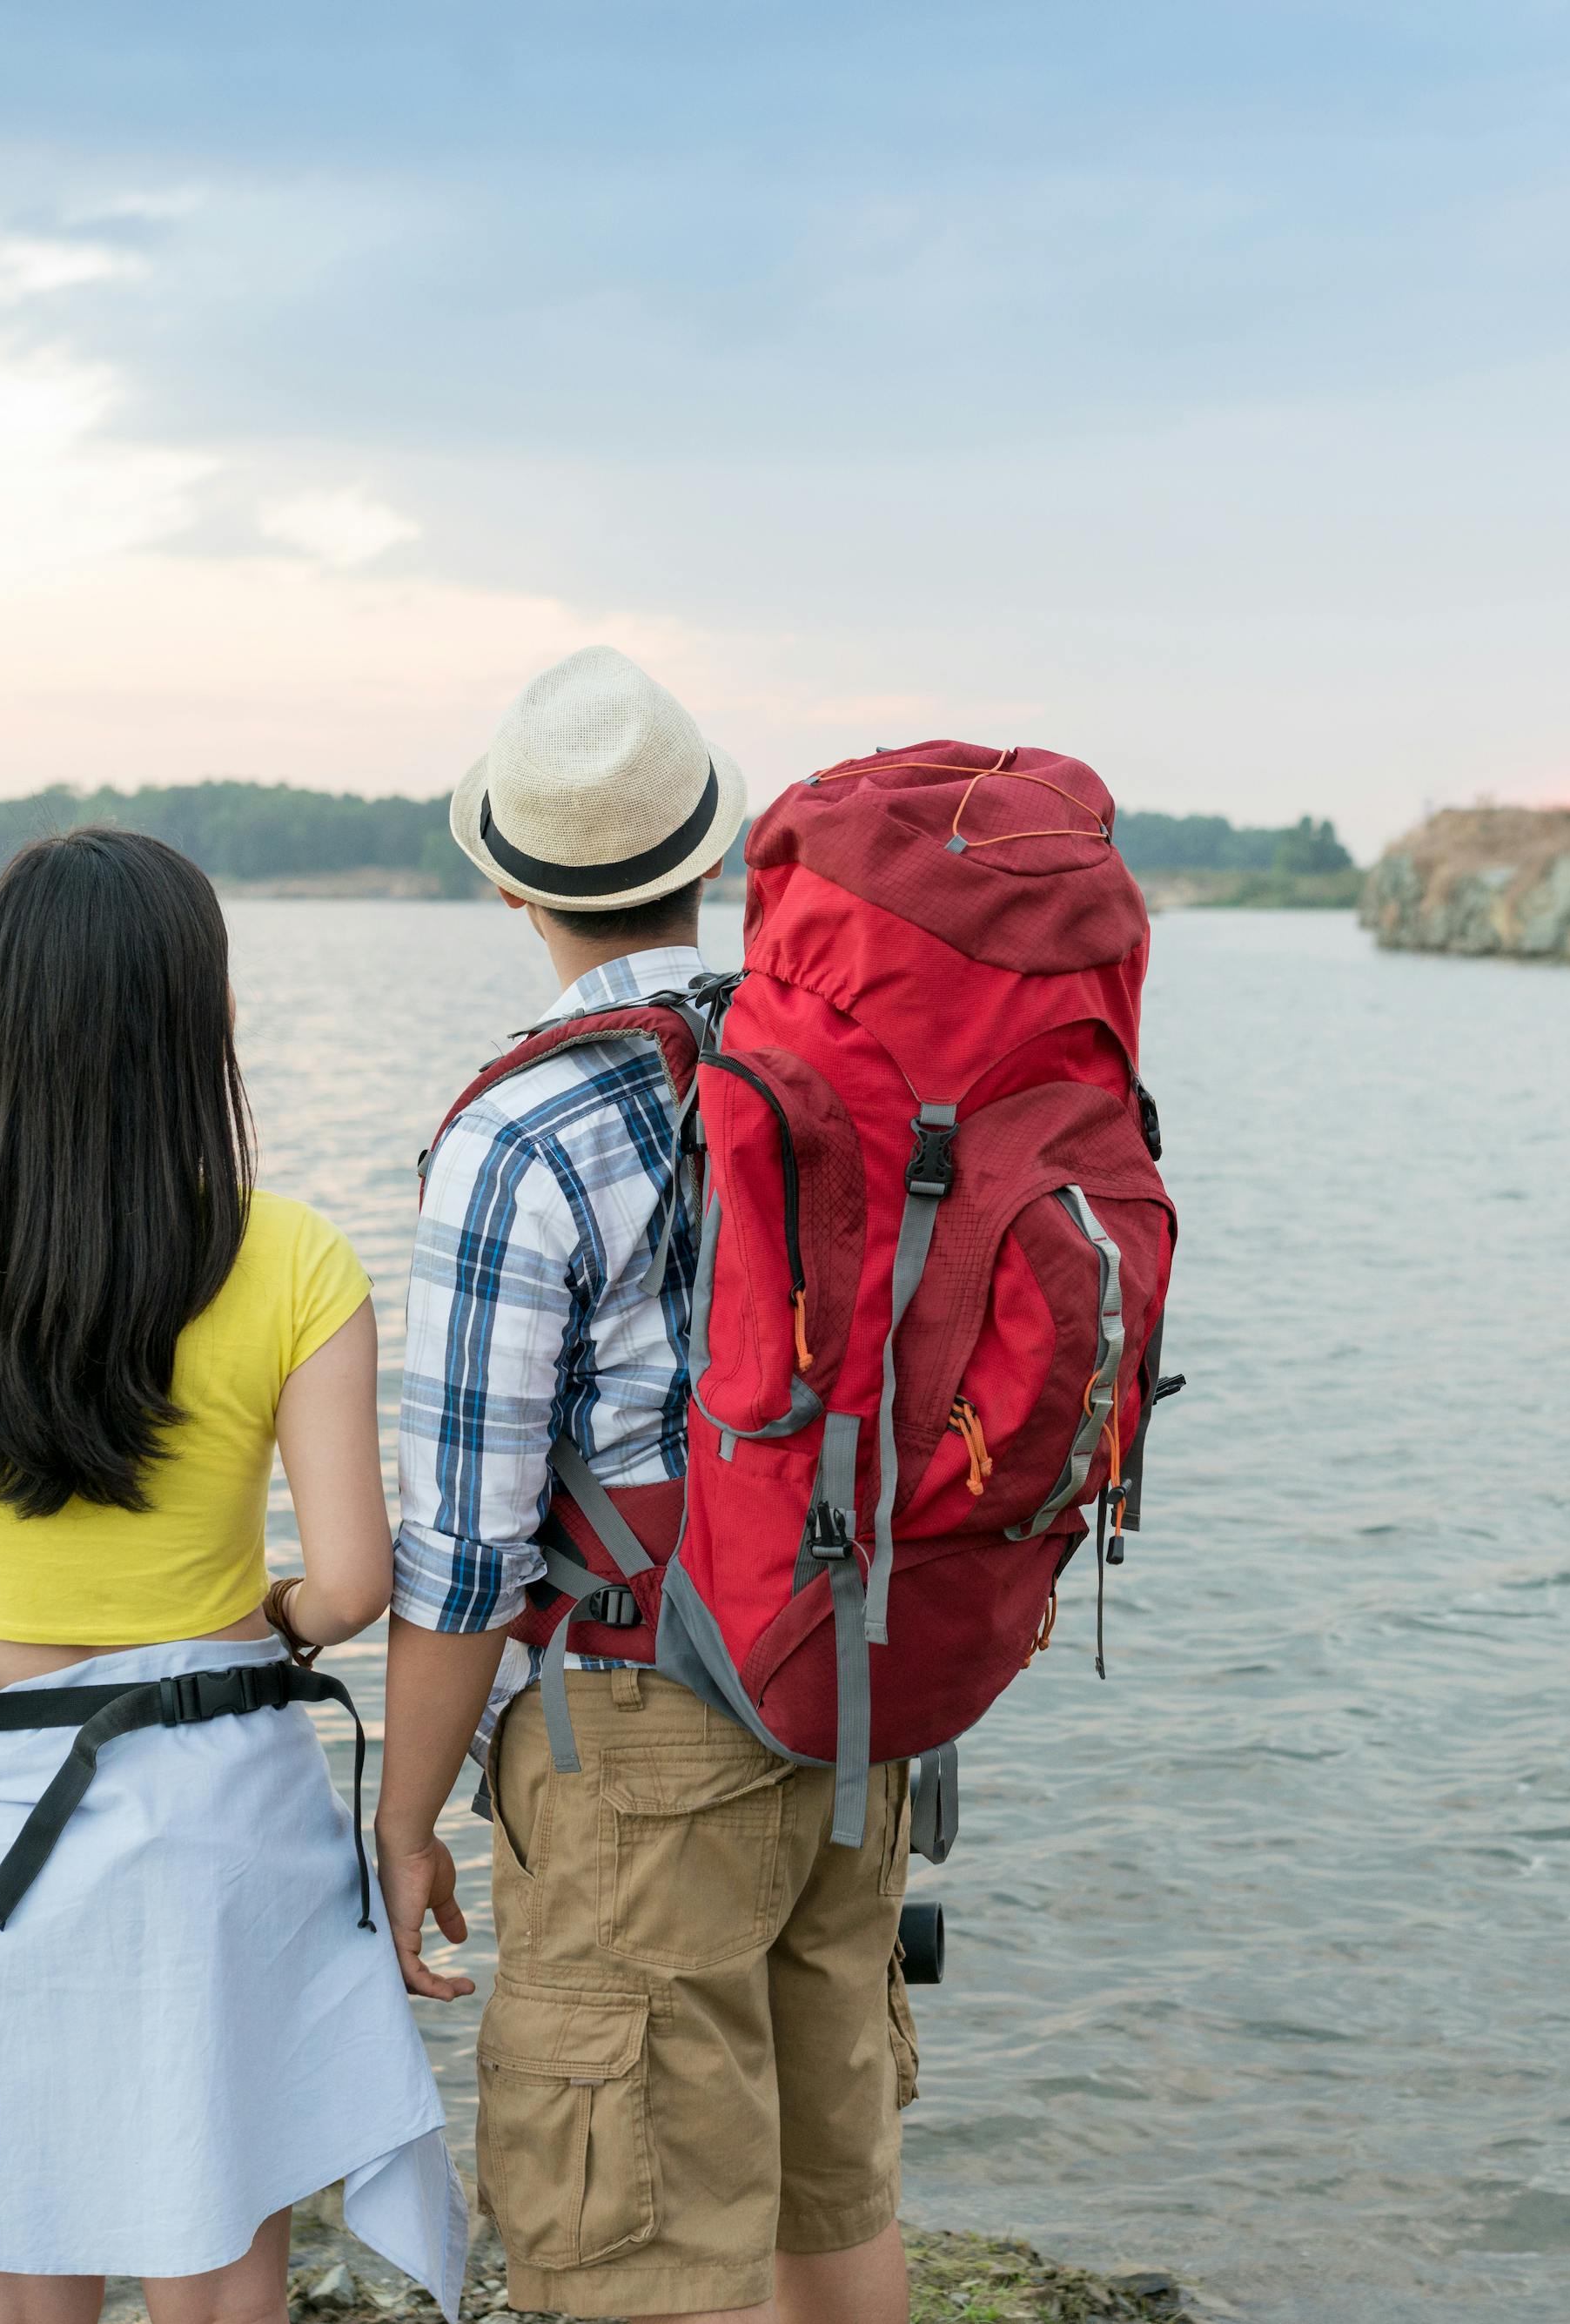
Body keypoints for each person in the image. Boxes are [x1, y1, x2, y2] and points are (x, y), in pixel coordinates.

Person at [0, 829, 461, 2324]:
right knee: (219, 2251)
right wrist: (265, 1616)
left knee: (18, 2254)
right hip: (214, 1829)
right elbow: (351, 1581)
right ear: (208, 1022)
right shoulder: (295, 1259)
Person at [372, 646, 916, 2324]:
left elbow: (464, 1550)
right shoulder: (835, 1071)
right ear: (705, 861)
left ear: (520, 893)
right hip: (848, 1689)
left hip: (639, 1729)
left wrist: (404, 1817)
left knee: (642, 2256)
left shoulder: (518, 1135)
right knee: (834, 2191)